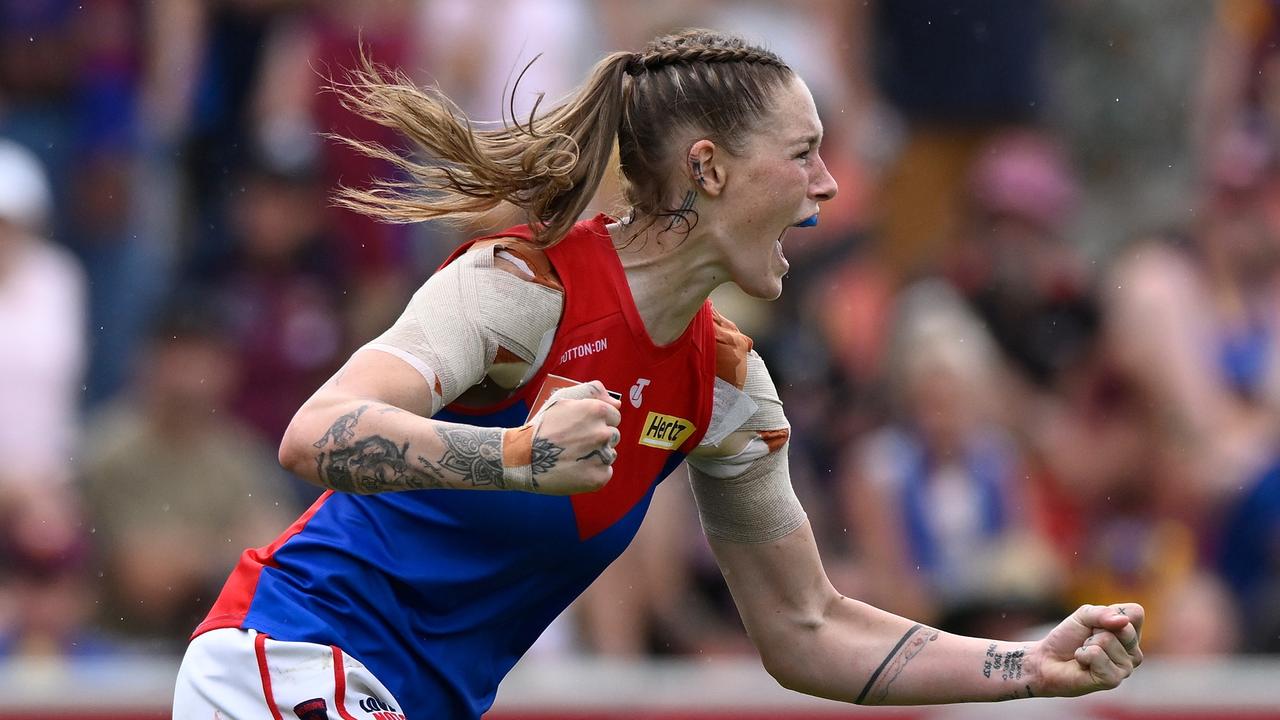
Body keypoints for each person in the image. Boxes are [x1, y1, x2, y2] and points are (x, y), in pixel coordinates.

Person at [173, 29, 1144, 719]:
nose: (828, 185)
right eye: (802, 154)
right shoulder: (523, 284)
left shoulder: (724, 385)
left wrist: (1024, 664)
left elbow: (805, 629)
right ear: (710, 168)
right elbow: (318, 432)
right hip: (287, 660)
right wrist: (517, 453)